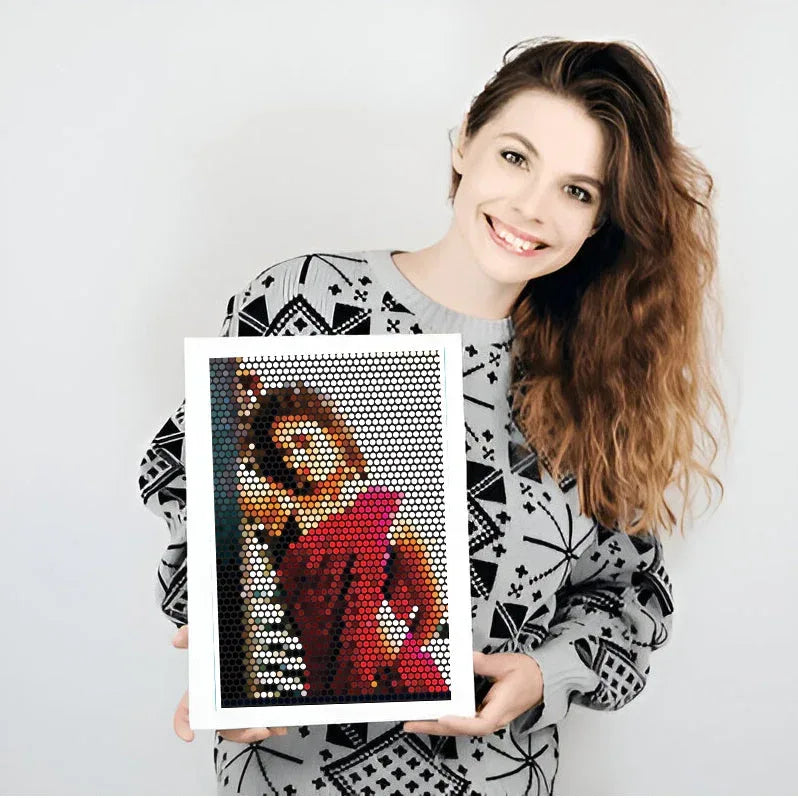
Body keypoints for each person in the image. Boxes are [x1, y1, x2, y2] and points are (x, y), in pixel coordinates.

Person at [138, 36, 726, 796]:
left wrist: (542, 674)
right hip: (290, 775)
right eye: (515, 158)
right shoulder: (307, 301)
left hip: (493, 777)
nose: (531, 207)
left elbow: (629, 597)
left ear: (599, 221)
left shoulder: (601, 380)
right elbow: (186, 485)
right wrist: (227, 653)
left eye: (577, 192)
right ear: (463, 144)